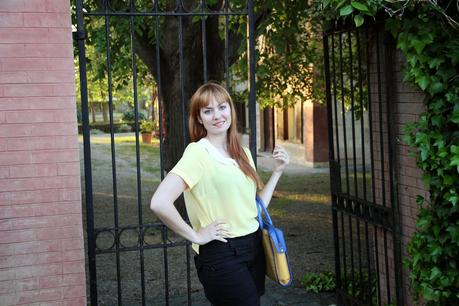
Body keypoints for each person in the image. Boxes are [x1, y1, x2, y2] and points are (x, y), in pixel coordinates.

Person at [150, 82, 289, 306]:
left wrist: (277, 171)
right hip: (222, 253)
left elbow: (255, 207)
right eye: (208, 111)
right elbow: (159, 202)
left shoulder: (242, 153)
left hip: (253, 247)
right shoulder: (197, 153)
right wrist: (196, 236)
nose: (217, 115)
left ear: (231, 110)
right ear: (198, 118)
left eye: (222, 107)